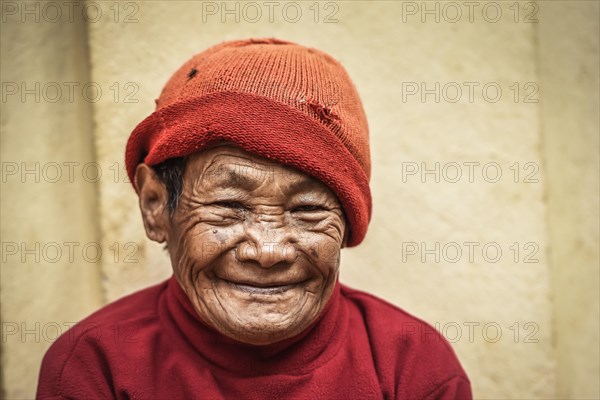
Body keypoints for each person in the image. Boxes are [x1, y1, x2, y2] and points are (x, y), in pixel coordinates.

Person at [37, 37, 472, 399]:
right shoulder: (95, 366)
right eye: (229, 206)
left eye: (307, 211)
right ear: (155, 206)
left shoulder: (413, 366)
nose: (268, 250)